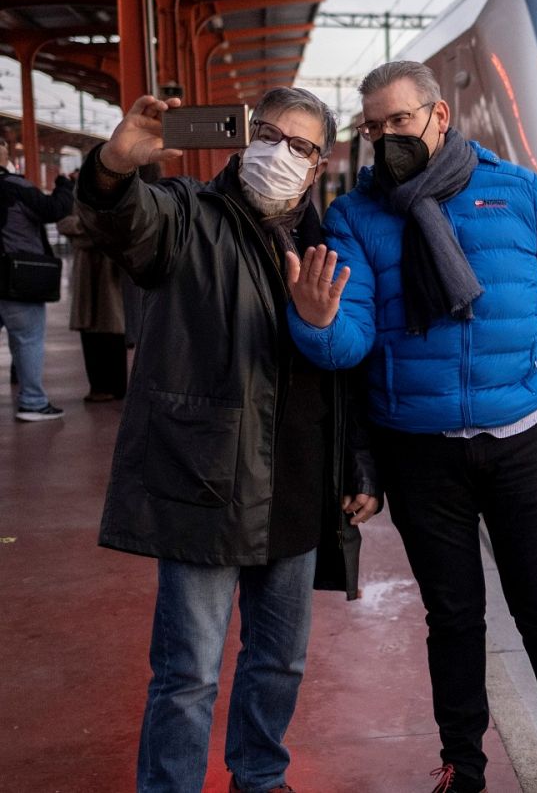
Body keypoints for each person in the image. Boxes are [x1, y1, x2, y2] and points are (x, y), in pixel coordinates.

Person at [286, 61, 537, 793]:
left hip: (521, 436)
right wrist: (315, 322)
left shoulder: (518, 193)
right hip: (419, 449)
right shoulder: (357, 217)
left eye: (398, 122)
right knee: (454, 615)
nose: (385, 138)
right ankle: (463, 763)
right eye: (373, 127)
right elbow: (351, 344)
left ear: (438, 116)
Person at [75, 89, 381, 793]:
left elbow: (346, 370)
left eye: (300, 146)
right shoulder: (186, 215)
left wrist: (358, 463)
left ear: (318, 165)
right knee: (188, 673)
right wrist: (117, 166)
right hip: (206, 483)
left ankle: (261, 776)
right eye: (268, 135)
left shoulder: (325, 243)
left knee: (280, 662)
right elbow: (121, 221)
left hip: (299, 487)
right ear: (244, 140)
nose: (280, 154)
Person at [0, 139, 74, 421]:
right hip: (17, 278)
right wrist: (64, 186)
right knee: (28, 339)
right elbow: (54, 209)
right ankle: (32, 402)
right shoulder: (16, 186)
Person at [57, 169, 129, 401]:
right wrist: (95, 228)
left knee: (112, 330)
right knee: (90, 329)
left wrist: (86, 230)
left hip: (110, 271)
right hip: (88, 271)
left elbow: (119, 228)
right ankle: (97, 387)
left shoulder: (122, 194)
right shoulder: (79, 195)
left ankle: (116, 387)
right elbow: (64, 224)